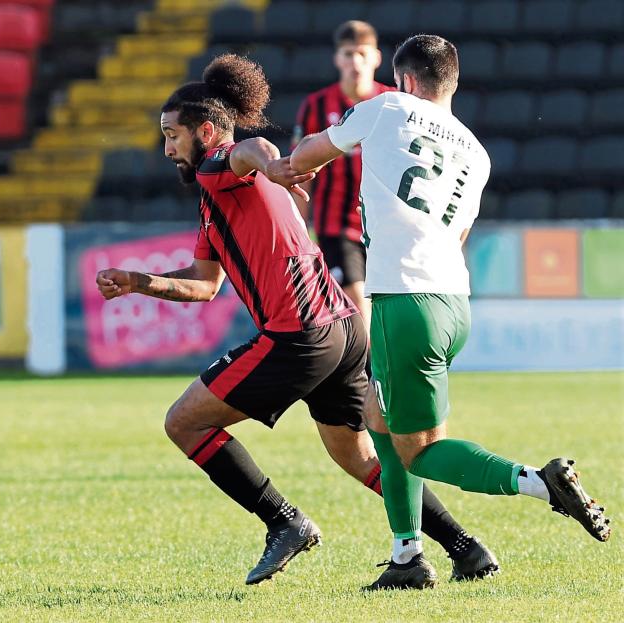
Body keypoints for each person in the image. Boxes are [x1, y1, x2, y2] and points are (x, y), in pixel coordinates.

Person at [97, 53, 498, 586]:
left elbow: (256, 148)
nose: (167, 147)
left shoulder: (221, 167)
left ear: (207, 131)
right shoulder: (218, 197)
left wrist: (276, 164)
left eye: (172, 135)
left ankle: (284, 524)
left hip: (299, 335)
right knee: (357, 455)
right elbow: (205, 282)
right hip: (345, 329)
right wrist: (138, 282)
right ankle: (463, 547)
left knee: (184, 423)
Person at [289, 34, 611, 590]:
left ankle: (539, 482)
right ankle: (407, 556)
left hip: (401, 301)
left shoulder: (387, 106)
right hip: (452, 303)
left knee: (421, 451)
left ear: (406, 80)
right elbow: (457, 235)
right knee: (378, 415)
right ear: (452, 83)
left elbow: (306, 157)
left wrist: (273, 170)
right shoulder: (476, 151)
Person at [292, 21, 392, 336]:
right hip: (336, 226)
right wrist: (298, 229)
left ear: (376, 57)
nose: (355, 62)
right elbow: (300, 171)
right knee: (358, 303)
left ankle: (374, 374)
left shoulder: (394, 103)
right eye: (348, 54)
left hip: (384, 225)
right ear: (337, 59)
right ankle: (370, 379)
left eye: (362, 54)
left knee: (384, 307)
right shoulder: (317, 106)